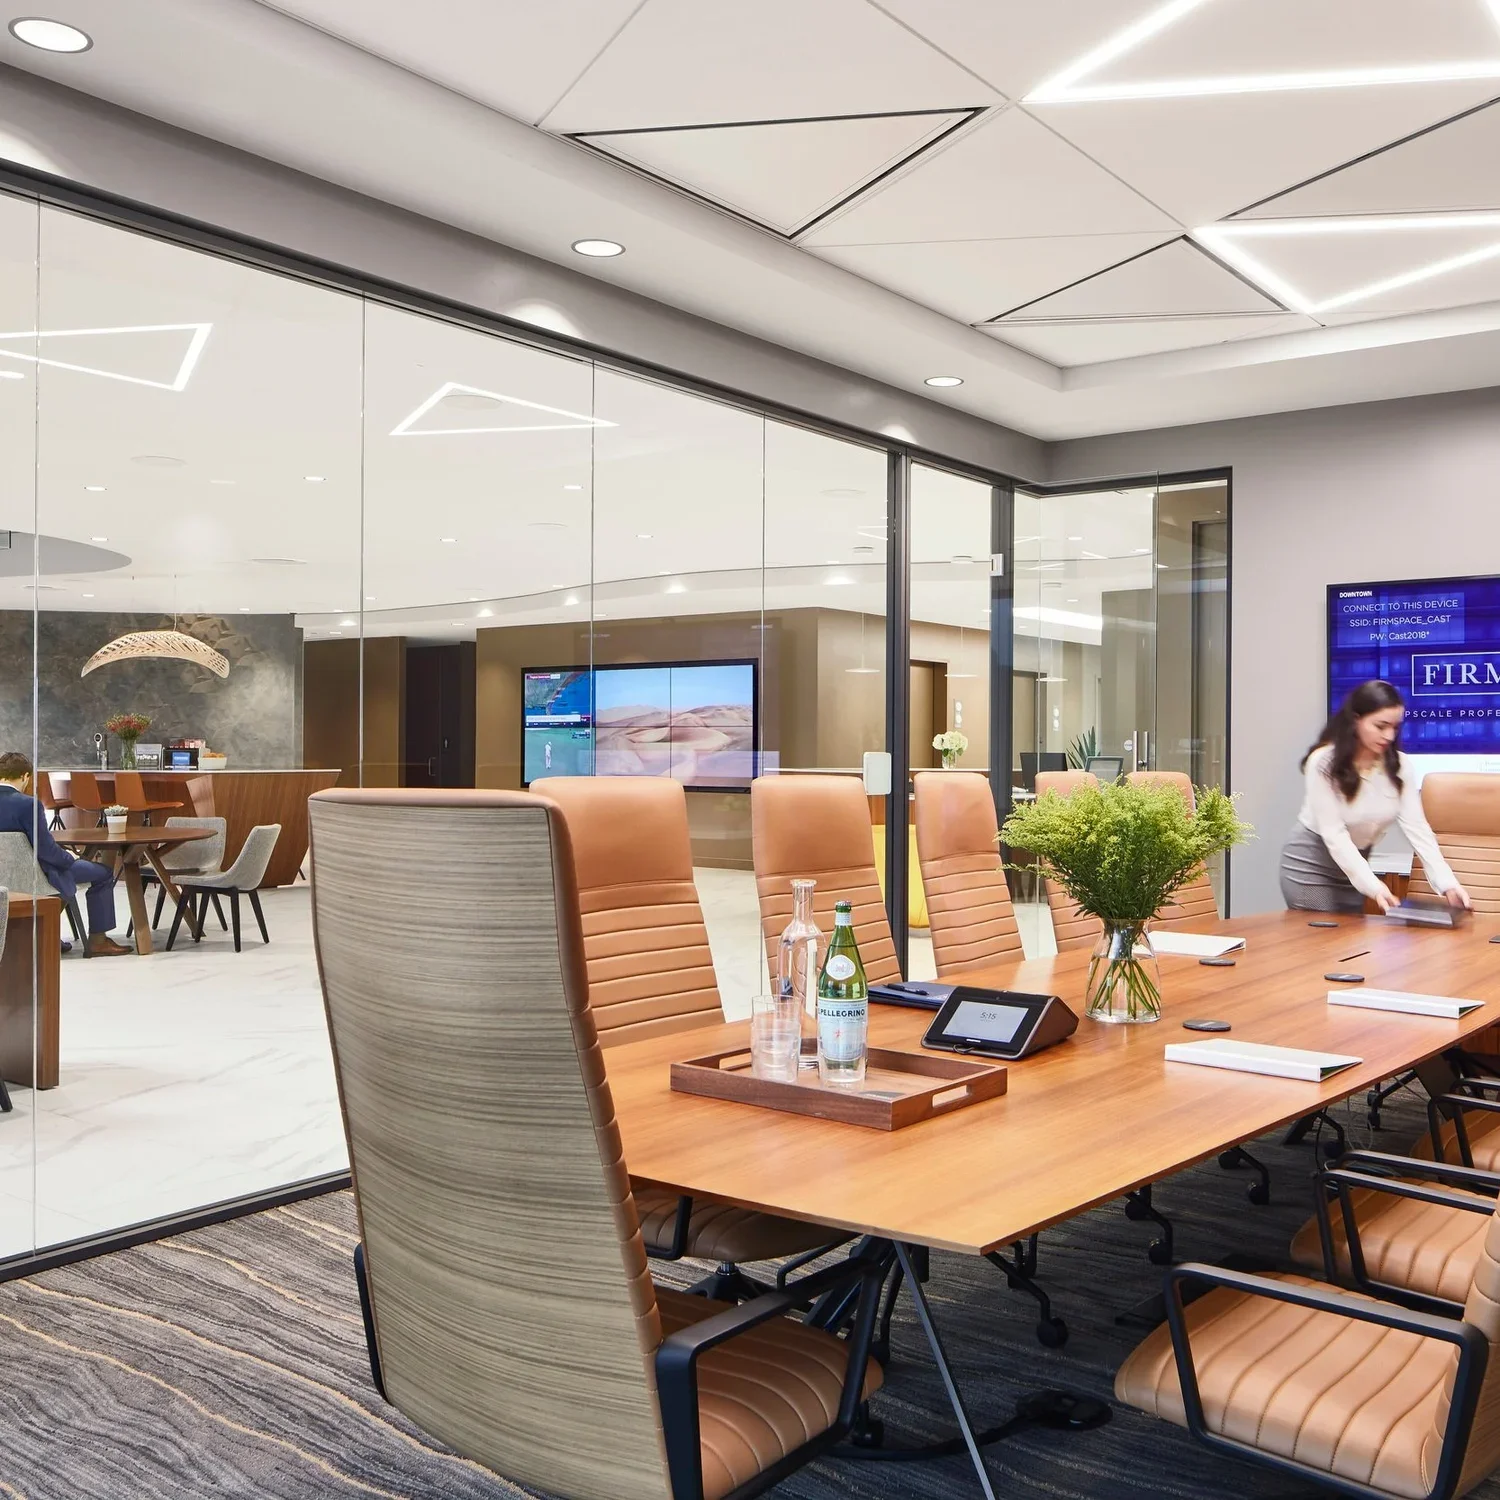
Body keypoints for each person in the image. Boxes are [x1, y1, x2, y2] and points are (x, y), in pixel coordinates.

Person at [1280, 680, 1472, 915]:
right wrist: (1373, 886)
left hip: (1357, 867)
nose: (1389, 736)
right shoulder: (1323, 762)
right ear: (1356, 720)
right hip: (1312, 866)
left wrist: (1447, 883)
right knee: (1323, 934)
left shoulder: (1400, 766)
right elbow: (1334, 834)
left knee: (1348, 936)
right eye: (1381, 726)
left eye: (1395, 727)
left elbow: (1418, 828)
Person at [0, 752, 130, 956]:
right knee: (103, 873)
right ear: (25, 776)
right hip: (38, 875)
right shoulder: (28, 804)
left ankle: (45, 934)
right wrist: (71, 857)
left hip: (4, 879)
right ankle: (98, 941)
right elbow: (46, 851)